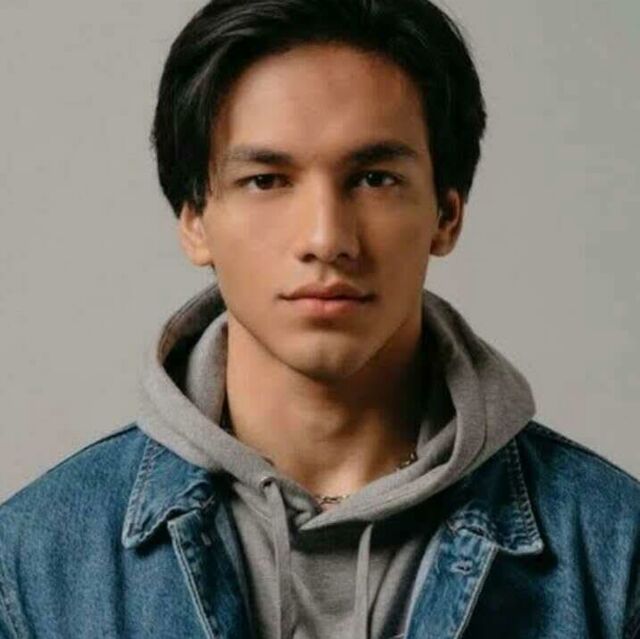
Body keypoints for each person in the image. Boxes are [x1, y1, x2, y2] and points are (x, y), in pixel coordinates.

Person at [1, 0, 639, 637]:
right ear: (194, 219)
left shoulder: (615, 552)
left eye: (375, 178)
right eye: (266, 180)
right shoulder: (34, 564)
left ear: (447, 214)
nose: (326, 238)